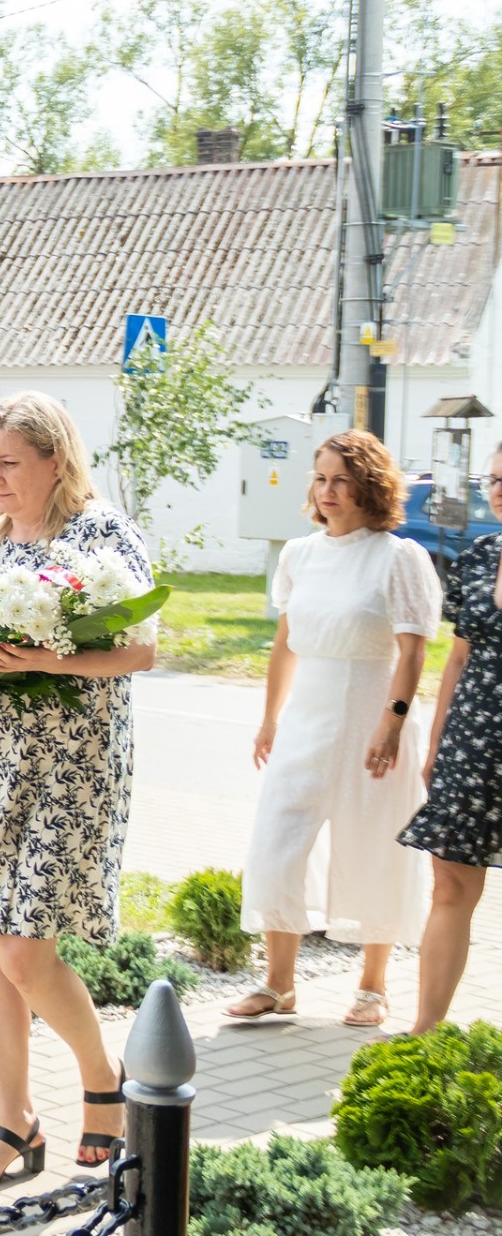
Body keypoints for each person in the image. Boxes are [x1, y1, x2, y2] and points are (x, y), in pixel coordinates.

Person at [0, 391, 157, 1187]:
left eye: (10, 463)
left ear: (56, 459)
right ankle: (15, 1123)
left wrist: (47, 661)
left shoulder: (101, 533)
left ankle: (103, 1080)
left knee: (26, 949)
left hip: (72, 765)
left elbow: (141, 650)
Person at [228, 430, 440, 1029]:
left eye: (342, 479)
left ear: (371, 486)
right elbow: (286, 643)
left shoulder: (398, 557)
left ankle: (373, 987)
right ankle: (278, 985)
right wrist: (270, 718)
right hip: (307, 719)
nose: (328, 490)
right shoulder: (299, 555)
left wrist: (391, 724)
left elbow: (413, 652)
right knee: (277, 842)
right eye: (321, 478)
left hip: (373, 717)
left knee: (374, 844)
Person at [397, 443, 502, 1034]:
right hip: (474, 742)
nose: (499, 489)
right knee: (450, 882)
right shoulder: (479, 556)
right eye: (494, 479)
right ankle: (426, 1032)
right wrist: (437, 743)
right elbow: (458, 658)